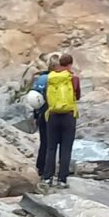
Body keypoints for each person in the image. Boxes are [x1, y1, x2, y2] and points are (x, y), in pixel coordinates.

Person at [43, 54, 81, 188]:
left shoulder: (51, 78)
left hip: (53, 115)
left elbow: (45, 96)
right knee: (66, 149)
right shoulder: (73, 79)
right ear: (70, 64)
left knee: (51, 148)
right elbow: (77, 96)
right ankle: (62, 180)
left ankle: (47, 178)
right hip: (69, 116)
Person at [32, 54, 60, 178]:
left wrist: (35, 116)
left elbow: (34, 99)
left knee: (45, 142)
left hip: (43, 113)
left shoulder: (42, 78)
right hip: (57, 113)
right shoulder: (61, 78)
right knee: (54, 144)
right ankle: (51, 170)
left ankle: (41, 167)